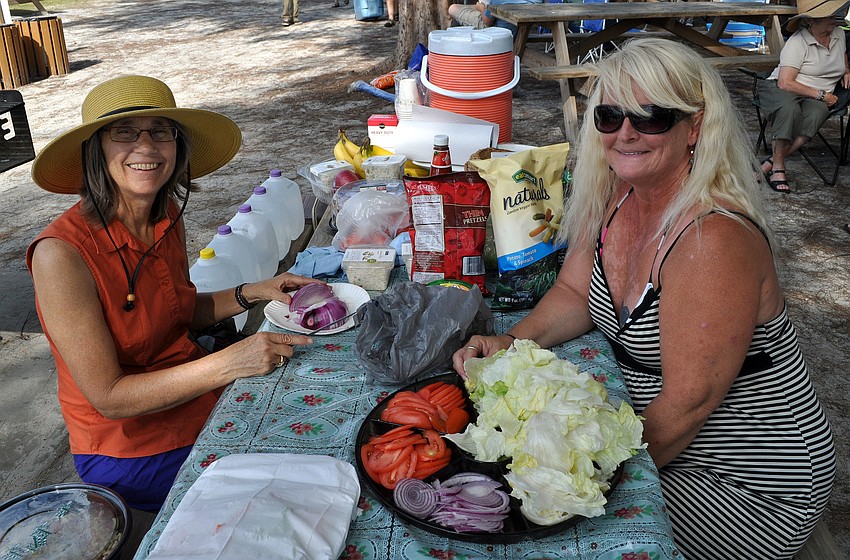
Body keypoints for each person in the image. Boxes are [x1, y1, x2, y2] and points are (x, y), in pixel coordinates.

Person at [453, 38, 835, 560]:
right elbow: (573, 293)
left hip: (747, 475)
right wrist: (510, 341)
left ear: (695, 127)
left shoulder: (712, 239)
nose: (625, 133)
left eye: (652, 116)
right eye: (609, 116)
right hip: (669, 434)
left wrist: (579, 471)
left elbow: (689, 403)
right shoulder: (615, 193)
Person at [26, 75, 322, 512]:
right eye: (124, 133)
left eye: (160, 131)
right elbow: (110, 398)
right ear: (94, 150)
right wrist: (229, 363)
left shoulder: (164, 217)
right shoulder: (60, 256)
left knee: (316, 427)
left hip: (195, 394)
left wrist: (255, 291)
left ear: (178, 147)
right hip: (127, 447)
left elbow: (177, 313)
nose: (145, 147)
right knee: (285, 492)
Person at [758, 0, 850, 193]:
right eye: (829, 16)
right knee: (789, 111)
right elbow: (785, 82)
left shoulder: (839, 34)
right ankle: (778, 168)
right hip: (783, 87)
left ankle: (769, 162)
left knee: (816, 114)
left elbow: (841, 57)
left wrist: (846, 70)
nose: (836, 19)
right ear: (811, 21)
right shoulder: (798, 42)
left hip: (814, 97)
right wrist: (822, 95)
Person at [447, 0, 542, 36]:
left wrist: (481, 9)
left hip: (497, 32)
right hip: (521, 29)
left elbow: (487, 21)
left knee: (453, 8)